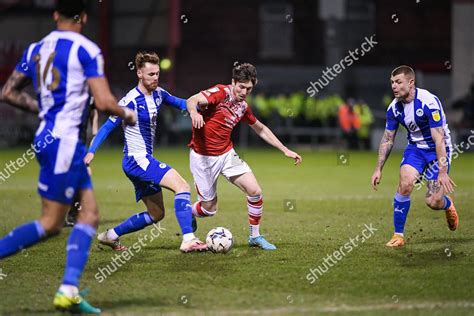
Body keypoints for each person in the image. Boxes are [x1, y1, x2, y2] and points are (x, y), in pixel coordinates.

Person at [0, 0, 136, 313]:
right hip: (63, 144)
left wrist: (42, 109)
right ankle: (67, 288)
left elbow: (8, 92)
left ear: (55, 14)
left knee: (89, 215)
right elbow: (103, 102)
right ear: (84, 17)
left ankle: (68, 289)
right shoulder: (86, 49)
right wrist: (127, 114)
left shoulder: (36, 48)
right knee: (51, 224)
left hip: (50, 139)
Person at [84, 51, 207, 253]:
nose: (155, 78)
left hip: (140, 161)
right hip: (137, 160)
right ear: (139, 73)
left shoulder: (159, 94)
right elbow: (107, 126)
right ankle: (189, 239)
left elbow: (183, 103)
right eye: (151, 74)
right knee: (182, 186)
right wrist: (91, 151)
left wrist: (205, 104)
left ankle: (110, 236)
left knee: (156, 214)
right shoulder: (129, 101)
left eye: (157, 73)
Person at [186, 63, 302, 250]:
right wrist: (194, 112)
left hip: (227, 154)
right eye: (241, 86)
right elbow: (192, 99)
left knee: (255, 191)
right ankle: (188, 212)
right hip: (204, 157)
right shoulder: (220, 93)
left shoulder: (242, 106)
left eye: (249, 88)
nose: (244, 91)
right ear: (233, 82)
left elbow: (261, 128)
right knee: (209, 209)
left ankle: (254, 237)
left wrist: (284, 149)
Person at [371, 65, 459, 247]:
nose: (394, 86)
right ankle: (398, 235)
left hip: (437, 150)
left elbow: (439, 140)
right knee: (405, 184)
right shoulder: (394, 108)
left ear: (411, 83)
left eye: (398, 82)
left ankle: (447, 204)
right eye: (392, 83)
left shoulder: (428, 102)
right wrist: (378, 169)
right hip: (415, 150)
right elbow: (388, 139)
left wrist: (442, 172)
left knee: (432, 201)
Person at [65, 98, 98, 227]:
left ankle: (73, 213)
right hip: (64, 141)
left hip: (80, 144)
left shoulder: (90, 92)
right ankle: (66, 213)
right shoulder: (69, 89)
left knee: (81, 176)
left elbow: (93, 110)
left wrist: (95, 132)